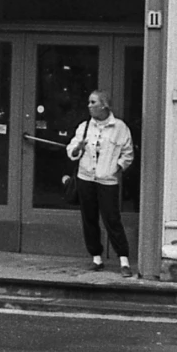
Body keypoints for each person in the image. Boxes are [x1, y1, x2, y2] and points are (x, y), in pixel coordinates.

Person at [65, 88, 135, 275]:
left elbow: (128, 154)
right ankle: (96, 258)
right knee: (89, 218)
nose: (89, 106)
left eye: (93, 102)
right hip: (86, 178)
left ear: (104, 105)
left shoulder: (120, 128)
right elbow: (71, 151)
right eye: (89, 102)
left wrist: (116, 168)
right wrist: (77, 148)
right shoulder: (85, 127)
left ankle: (123, 259)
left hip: (107, 180)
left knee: (112, 219)